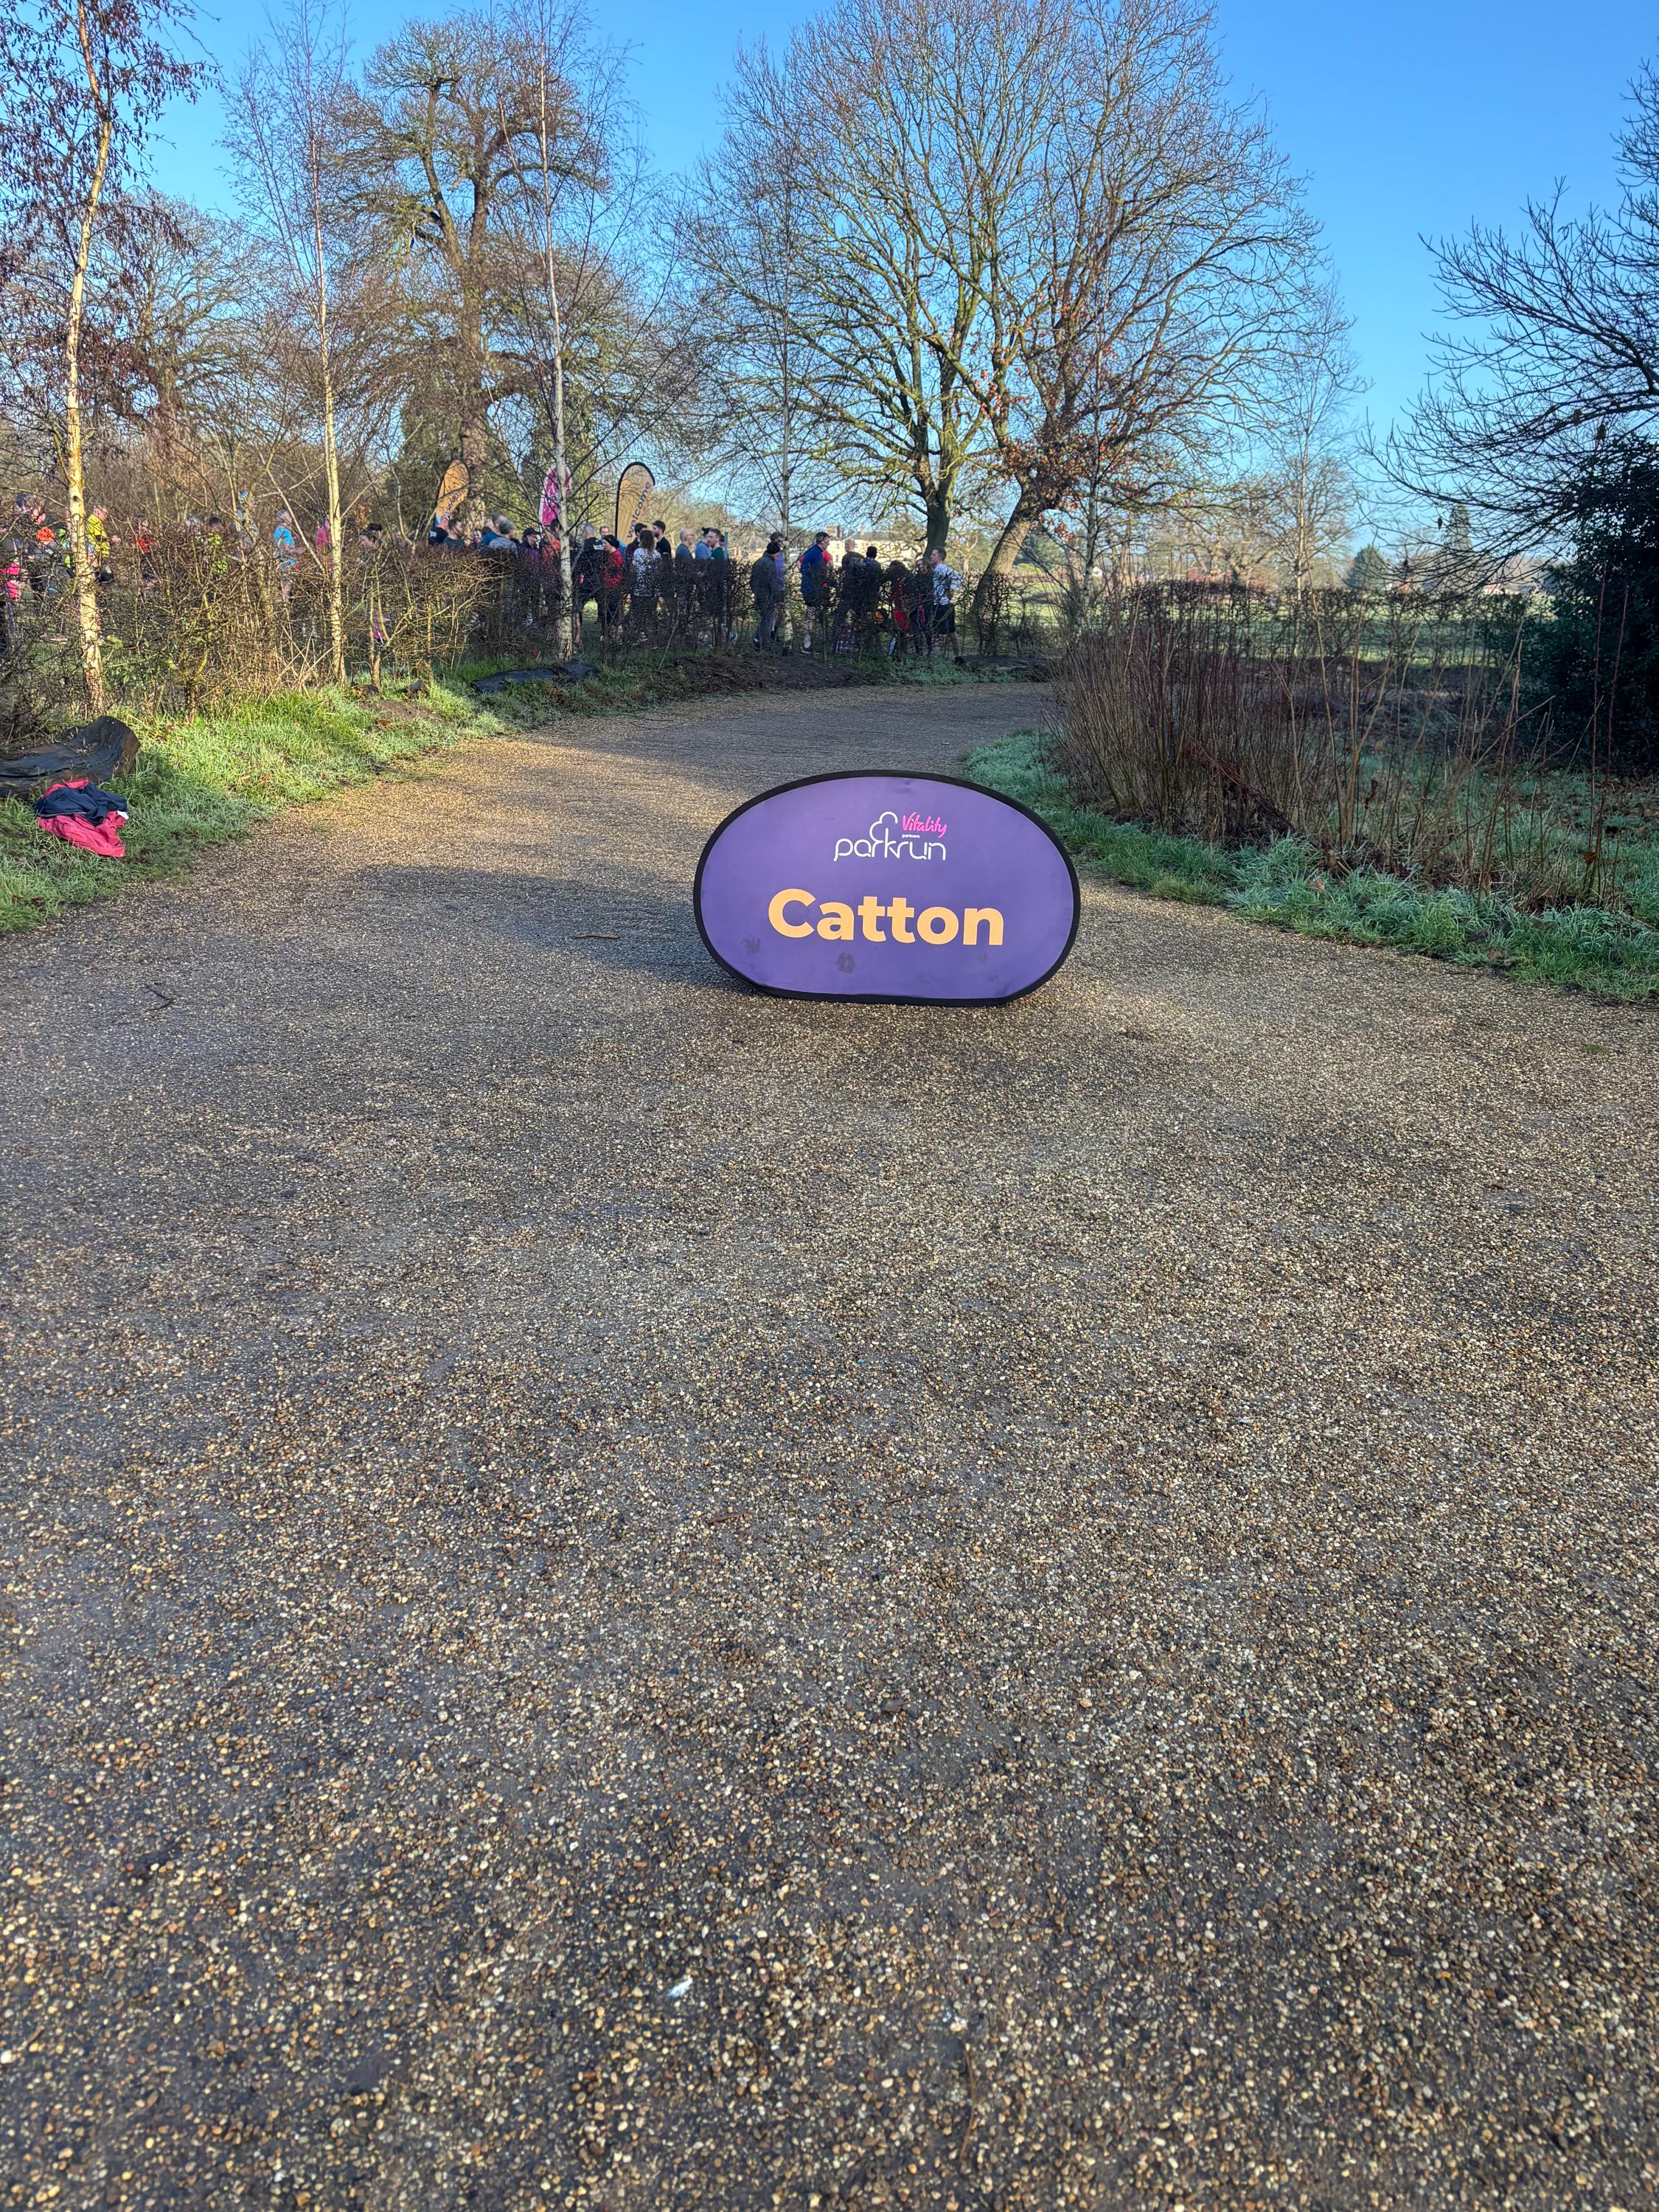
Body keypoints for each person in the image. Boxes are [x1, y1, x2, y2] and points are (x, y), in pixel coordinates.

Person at [925, 546, 964, 650]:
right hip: (941, 603)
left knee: (938, 633)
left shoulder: (941, 568)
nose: (931, 556)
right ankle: (957, 656)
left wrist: (951, 589)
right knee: (951, 633)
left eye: (934, 555)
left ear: (940, 557)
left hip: (943, 605)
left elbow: (958, 577)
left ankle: (936, 659)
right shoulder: (937, 569)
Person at [799, 531, 832, 652]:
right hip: (812, 589)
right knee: (812, 615)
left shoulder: (810, 552)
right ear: (822, 542)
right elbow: (820, 574)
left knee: (812, 614)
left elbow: (802, 568)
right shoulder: (818, 554)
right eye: (828, 542)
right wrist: (832, 582)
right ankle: (807, 644)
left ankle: (810, 642)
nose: (828, 545)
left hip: (807, 587)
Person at [750, 535, 783, 649]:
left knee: (764, 618)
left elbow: (752, 580)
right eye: (778, 553)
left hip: (759, 595)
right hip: (767, 596)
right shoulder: (770, 565)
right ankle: (763, 642)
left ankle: (757, 638)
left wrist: (755, 591)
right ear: (774, 553)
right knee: (768, 619)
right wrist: (778, 597)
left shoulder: (758, 562)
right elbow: (772, 583)